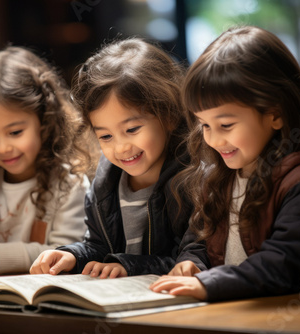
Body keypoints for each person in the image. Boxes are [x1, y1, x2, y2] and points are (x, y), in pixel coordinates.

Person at [150, 25, 300, 301]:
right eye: (204, 125)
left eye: (225, 124)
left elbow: (282, 265)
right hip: (247, 308)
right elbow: (199, 240)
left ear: (275, 114)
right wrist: (193, 264)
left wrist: (211, 283)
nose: (214, 139)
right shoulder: (219, 177)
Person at [30, 37, 193, 278]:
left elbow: (191, 260)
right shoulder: (105, 184)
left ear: (168, 115)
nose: (121, 147)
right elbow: (99, 248)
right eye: (105, 136)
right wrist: (72, 255)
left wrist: (127, 266)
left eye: (132, 130)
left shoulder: (192, 180)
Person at [0, 46, 94, 275]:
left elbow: (65, 253)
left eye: (15, 132)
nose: (4, 148)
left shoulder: (69, 185)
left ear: (44, 122)